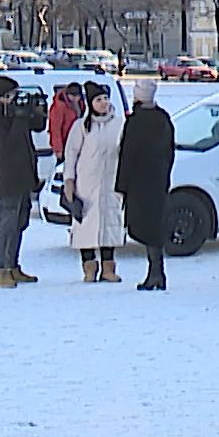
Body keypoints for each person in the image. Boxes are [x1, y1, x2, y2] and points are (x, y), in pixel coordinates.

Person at [64, 81, 127, 283]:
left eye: (106, 99)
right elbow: (71, 154)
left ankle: (108, 267)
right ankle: (89, 266)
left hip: (111, 183)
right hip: (87, 184)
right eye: (99, 100)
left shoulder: (119, 123)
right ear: (91, 103)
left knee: (110, 223)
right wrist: (69, 181)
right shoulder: (81, 126)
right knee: (86, 226)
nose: (103, 103)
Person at [117, 79, 176, 291]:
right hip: (158, 180)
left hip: (139, 184)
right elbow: (170, 151)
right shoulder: (163, 119)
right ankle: (157, 272)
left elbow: (127, 154)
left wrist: (121, 185)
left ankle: (155, 273)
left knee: (146, 227)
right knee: (154, 226)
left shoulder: (136, 121)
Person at [0, 76, 40, 288]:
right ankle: (0, 269)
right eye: (10, 97)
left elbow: (37, 127)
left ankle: (12, 265)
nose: (14, 100)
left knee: (20, 222)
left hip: (24, 175)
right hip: (7, 178)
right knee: (7, 223)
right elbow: (4, 146)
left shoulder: (12, 114)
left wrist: (33, 112)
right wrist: (18, 120)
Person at [47, 82, 83, 162]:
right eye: (72, 96)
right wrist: (58, 149)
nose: (75, 98)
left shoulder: (80, 105)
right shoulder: (60, 106)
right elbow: (55, 128)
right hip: (65, 143)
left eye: (77, 96)